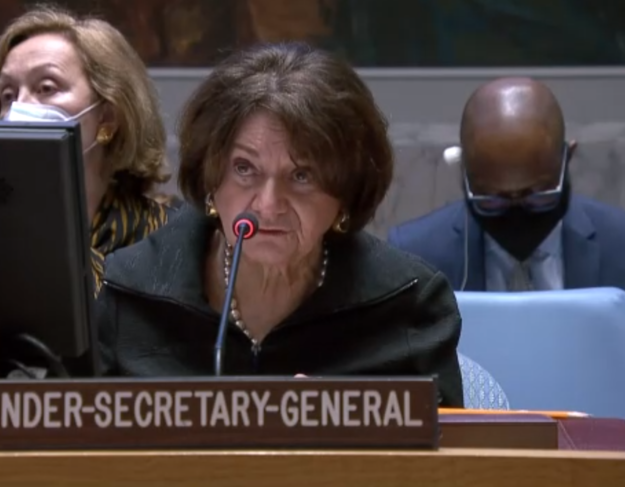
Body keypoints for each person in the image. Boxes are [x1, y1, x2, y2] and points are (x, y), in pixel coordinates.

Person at [96, 42, 464, 407]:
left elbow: (451, 443)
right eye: (244, 169)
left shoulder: (410, 305)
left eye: (301, 175)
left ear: (346, 194)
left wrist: (345, 427)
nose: (268, 205)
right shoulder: (130, 292)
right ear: (210, 180)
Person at [0, 5, 174, 295]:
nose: (19, 108)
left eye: (46, 88)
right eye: (8, 95)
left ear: (107, 118)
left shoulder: (169, 237)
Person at [388, 77, 625, 292]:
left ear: (567, 158)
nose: (518, 218)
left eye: (538, 195)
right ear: (464, 170)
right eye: (492, 199)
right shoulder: (414, 258)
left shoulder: (619, 242)